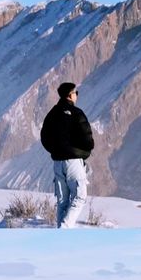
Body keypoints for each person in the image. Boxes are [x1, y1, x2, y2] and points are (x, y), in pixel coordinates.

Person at [40, 82, 94, 228]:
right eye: (76, 92)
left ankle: (60, 237)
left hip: (58, 163)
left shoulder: (52, 113)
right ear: (70, 94)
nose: (77, 95)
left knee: (62, 202)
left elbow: (44, 136)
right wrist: (82, 153)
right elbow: (88, 140)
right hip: (74, 163)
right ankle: (64, 229)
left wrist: (56, 151)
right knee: (79, 197)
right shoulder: (77, 113)